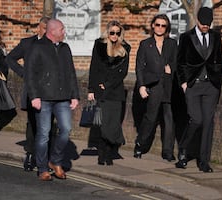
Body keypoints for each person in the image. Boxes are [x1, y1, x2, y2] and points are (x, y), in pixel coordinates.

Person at [25, 19, 80, 181]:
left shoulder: (65, 48)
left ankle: (55, 161)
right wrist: (34, 96)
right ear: (52, 31)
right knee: (43, 134)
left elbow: (71, 72)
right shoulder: (37, 47)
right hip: (43, 98)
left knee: (66, 129)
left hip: (63, 98)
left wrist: (75, 95)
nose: (64, 32)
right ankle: (42, 168)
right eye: (62, 29)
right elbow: (30, 74)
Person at [176, 7, 222, 173]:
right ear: (197, 21)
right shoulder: (185, 38)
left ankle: (204, 162)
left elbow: (220, 60)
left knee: (207, 123)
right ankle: (183, 148)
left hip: (211, 86)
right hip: (193, 85)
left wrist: (218, 82)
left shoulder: (216, 37)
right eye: (203, 23)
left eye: (208, 23)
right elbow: (180, 63)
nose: (206, 26)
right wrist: (183, 83)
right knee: (196, 119)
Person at [5, 16, 52, 172]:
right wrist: (22, 73)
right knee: (33, 124)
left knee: (47, 125)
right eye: (45, 29)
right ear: (39, 28)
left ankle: (44, 158)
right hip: (32, 90)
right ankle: (31, 154)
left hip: (50, 92)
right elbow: (10, 58)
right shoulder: (27, 44)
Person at [133, 14, 177, 161]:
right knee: (150, 118)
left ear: (167, 28)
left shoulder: (172, 44)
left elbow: (177, 62)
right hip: (154, 85)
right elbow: (139, 67)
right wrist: (141, 86)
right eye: (157, 25)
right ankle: (140, 144)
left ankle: (168, 152)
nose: (160, 28)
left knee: (169, 120)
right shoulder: (145, 44)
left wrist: (171, 68)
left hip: (169, 86)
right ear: (153, 25)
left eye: (163, 26)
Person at [87, 20, 131, 166]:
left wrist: (108, 85)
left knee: (112, 124)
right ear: (107, 32)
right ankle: (102, 154)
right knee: (102, 124)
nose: (114, 35)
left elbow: (123, 73)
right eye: (112, 32)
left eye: (117, 33)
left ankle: (109, 152)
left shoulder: (125, 48)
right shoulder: (99, 45)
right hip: (100, 91)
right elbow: (93, 67)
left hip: (115, 91)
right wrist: (91, 89)